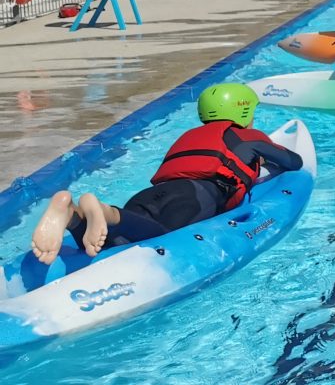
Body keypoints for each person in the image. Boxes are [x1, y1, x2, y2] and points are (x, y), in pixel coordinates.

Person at [30, 84, 303, 264]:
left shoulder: (191, 135)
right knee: (162, 237)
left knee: (115, 243)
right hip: (196, 195)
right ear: (242, 111)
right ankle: (103, 209)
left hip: (152, 194)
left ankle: (73, 216)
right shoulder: (247, 136)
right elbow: (293, 160)